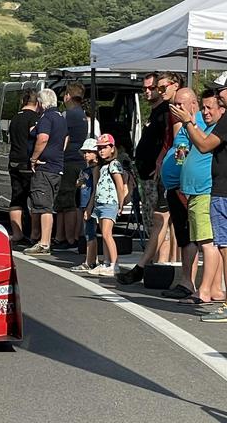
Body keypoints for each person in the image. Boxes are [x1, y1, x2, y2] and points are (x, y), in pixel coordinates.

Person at [173, 84, 227, 321]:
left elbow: (204, 147)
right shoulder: (193, 128)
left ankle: (205, 290)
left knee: (212, 244)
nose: (205, 112)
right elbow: (182, 155)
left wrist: (187, 122)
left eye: (210, 107)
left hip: (209, 191)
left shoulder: (212, 126)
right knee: (205, 241)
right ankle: (206, 288)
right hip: (195, 192)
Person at [118, 73, 173, 285]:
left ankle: (160, 268)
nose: (148, 92)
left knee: (158, 222)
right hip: (146, 174)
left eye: (152, 88)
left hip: (155, 175)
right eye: (146, 89)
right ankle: (154, 267)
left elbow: (167, 142)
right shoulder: (155, 112)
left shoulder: (166, 112)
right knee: (153, 222)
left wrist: (159, 163)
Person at [158, 87, 200, 298]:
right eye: (175, 104)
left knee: (190, 237)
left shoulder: (197, 123)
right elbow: (180, 152)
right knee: (184, 237)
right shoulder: (183, 125)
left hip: (186, 190)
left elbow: (195, 153)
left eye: (180, 104)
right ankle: (186, 281)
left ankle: (188, 283)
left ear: (193, 104)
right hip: (176, 188)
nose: (176, 108)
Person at [23, 89, 69, 255]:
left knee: (43, 206)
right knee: (48, 204)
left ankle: (44, 242)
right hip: (57, 166)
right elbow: (65, 138)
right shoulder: (60, 117)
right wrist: (58, 153)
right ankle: (45, 240)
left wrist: (34, 158)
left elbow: (43, 138)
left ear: (41, 103)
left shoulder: (46, 118)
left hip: (45, 167)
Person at [53, 82, 88, 250]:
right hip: (79, 160)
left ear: (68, 96)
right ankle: (63, 236)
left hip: (69, 160)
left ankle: (69, 239)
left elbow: (60, 136)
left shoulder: (67, 115)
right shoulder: (83, 115)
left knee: (67, 202)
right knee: (69, 201)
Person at [87, 134, 125, 277]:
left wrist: (121, 203)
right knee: (103, 234)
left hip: (110, 203)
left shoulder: (114, 164)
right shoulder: (101, 167)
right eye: (100, 148)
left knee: (107, 234)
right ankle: (106, 262)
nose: (102, 150)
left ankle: (115, 264)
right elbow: (96, 187)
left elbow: (120, 185)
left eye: (105, 147)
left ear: (112, 148)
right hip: (100, 203)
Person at [7, 89, 40, 246]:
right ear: (37, 103)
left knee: (16, 198)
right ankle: (34, 233)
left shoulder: (15, 118)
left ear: (22, 102)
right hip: (27, 162)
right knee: (34, 198)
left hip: (13, 160)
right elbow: (36, 137)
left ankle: (17, 233)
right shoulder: (35, 118)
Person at [71, 138, 100, 272]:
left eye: (89, 152)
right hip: (83, 202)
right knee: (88, 231)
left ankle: (89, 261)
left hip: (89, 203)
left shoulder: (95, 169)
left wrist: (89, 206)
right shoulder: (86, 169)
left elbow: (95, 188)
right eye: (84, 152)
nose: (86, 155)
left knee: (90, 233)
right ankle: (93, 259)